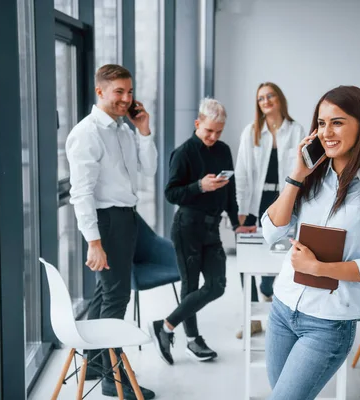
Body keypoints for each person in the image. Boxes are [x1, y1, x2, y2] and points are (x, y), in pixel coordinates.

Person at [261, 86, 360, 400]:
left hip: (328, 325)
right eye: (321, 124)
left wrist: (319, 268)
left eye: (337, 122)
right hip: (282, 308)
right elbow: (271, 232)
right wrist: (297, 175)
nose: (326, 132)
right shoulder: (310, 176)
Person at [66, 64, 157, 399]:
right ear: (100, 91)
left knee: (105, 295)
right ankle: (112, 379)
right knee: (117, 297)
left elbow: (148, 170)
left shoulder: (123, 130)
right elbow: (81, 193)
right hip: (106, 223)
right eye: (119, 91)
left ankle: (93, 363)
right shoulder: (87, 133)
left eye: (130, 91)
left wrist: (144, 129)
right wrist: (94, 241)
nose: (126, 98)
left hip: (125, 219)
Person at [149, 98, 248, 365]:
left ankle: (166, 326)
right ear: (197, 124)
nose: (214, 137)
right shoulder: (183, 153)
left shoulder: (224, 150)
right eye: (209, 131)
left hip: (212, 228)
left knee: (216, 286)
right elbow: (171, 193)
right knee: (190, 286)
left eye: (219, 131)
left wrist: (236, 224)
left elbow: (229, 190)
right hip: (187, 228)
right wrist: (199, 187)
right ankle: (193, 340)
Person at [234, 82, 306, 339]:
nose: (265, 101)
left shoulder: (296, 130)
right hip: (256, 202)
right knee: (246, 258)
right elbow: (241, 172)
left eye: (270, 96)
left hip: (283, 202)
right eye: (261, 98)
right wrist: (241, 209)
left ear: (279, 99)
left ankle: (267, 289)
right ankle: (250, 319)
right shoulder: (251, 132)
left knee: (277, 256)